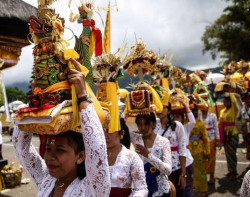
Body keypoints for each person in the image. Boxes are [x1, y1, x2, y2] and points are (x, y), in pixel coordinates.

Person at [12, 58, 110, 197]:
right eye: (48, 149)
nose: (50, 157)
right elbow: (22, 149)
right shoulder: (46, 181)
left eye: (60, 150)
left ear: (81, 156)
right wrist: (36, 102)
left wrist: (82, 96)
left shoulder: (91, 189)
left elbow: (97, 148)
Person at [131, 112, 172, 197]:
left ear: (153, 124)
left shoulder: (164, 142)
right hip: (141, 189)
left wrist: (148, 155)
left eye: (146, 124)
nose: (142, 128)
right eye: (139, 124)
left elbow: (168, 170)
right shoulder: (135, 138)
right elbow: (120, 126)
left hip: (161, 190)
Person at [104, 117, 147, 197]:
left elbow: (141, 188)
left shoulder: (131, 157)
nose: (105, 136)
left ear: (121, 133)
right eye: (103, 131)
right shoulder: (96, 157)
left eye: (109, 131)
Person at [156, 103, 188, 197]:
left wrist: (183, 175)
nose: (160, 110)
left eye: (164, 107)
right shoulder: (151, 125)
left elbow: (182, 150)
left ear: (169, 110)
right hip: (157, 169)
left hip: (174, 169)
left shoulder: (177, 125)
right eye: (158, 107)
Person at [172, 99, 195, 197]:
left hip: (187, 161)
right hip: (175, 163)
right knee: (176, 188)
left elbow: (193, 121)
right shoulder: (170, 129)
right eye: (173, 117)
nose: (176, 119)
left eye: (178, 117)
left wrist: (186, 106)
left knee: (188, 186)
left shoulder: (186, 128)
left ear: (182, 118)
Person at [189, 107, 210, 197]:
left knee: (201, 171)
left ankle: (204, 190)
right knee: (192, 171)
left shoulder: (201, 123)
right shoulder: (186, 122)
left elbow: (205, 138)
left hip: (199, 150)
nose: (195, 113)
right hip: (189, 150)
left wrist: (207, 151)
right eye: (193, 111)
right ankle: (196, 189)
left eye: (196, 111)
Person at [219, 92, 239, 181]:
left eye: (227, 101)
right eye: (224, 101)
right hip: (224, 134)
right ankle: (230, 170)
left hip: (232, 133)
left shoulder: (233, 109)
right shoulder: (222, 111)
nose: (224, 102)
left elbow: (234, 101)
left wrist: (230, 92)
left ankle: (234, 172)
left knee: (232, 153)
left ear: (230, 102)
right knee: (227, 153)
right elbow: (220, 122)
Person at [198, 104, 220, 184]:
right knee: (202, 158)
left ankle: (212, 176)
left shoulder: (212, 116)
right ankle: (203, 177)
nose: (204, 109)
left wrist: (218, 139)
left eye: (205, 107)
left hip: (211, 139)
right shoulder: (198, 115)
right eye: (202, 107)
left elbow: (216, 127)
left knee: (212, 157)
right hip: (201, 140)